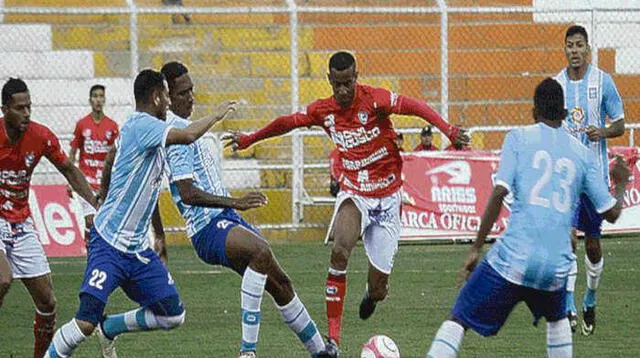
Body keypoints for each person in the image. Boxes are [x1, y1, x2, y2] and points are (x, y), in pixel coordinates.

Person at [224, 51, 470, 346]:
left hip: (388, 198)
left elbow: (415, 107)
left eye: (348, 84)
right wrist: (250, 138)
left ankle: (371, 293)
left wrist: (450, 131)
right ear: (329, 80)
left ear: (356, 78)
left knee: (379, 289)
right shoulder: (323, 110)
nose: (342, 91)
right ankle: (333, 342)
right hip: (355, 193)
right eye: (337, 84)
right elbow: (287, 122)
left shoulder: (376, 99)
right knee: (340, 250)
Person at [425, 78, 629, 358]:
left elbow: (499, 193)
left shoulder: (519, 138)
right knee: (557, 320)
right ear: (565, 112)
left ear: (534, 111)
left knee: (458, 318)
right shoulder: (581, 155)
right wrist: (620, 183)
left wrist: (475, 249)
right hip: (555, 268)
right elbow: (612, 213)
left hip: (513, 259)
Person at [45, 69, 237, 358]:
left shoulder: (138, 129)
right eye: (166, 97)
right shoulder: (145, 124)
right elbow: (187, 135)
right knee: (84, 322)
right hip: (109, 245)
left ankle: (110, 327)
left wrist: (111, 200)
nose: (169, 103)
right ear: (157, 96)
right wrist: (217, 115)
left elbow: (112, 160)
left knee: (173, 315)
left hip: (136, 250)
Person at [154, 61, 337, 358]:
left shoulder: (190, 129)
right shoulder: (176, 134)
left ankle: (322, 352)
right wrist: (235, 202)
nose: (191, 97)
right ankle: (247, 353)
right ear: (167, 97)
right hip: (206, 228)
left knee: (281, 283)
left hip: (225, 219)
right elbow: (187, 194)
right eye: (183, 93)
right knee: (260, 253)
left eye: (192, 90)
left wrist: (232, 208)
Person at [0, 78, 97, 358]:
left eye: (29, 106)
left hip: (21, 222)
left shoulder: (40, 136)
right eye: (20, 108)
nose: (27, 113)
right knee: (3, 279)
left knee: (47, 302)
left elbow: (68, 169)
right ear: (5, 109)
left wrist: (94, 205)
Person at [554, 25, 625, 335]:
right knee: (568, 239)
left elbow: (620, 124)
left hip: (594, 179)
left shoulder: (603, 82)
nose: (574, 50)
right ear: (565, 49)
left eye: (579, 45)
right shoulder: (556, 85)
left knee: (592, 246)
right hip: (566, 179)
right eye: (569, 45)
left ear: (588, 49)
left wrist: (604, 132)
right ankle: (568, 305)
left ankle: (590, 298)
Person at [68, 84, 119, 240]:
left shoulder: (112, 126)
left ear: (104, 99)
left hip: (104, 182)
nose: (98, 100)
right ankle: (91, 257)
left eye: (101, 96)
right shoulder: (82, 124)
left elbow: (116, 155)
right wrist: (70, 180)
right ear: (90, 100)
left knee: (105, 223)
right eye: (95, 96)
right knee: (90, 221)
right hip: (87, 182)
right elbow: (73, 152)